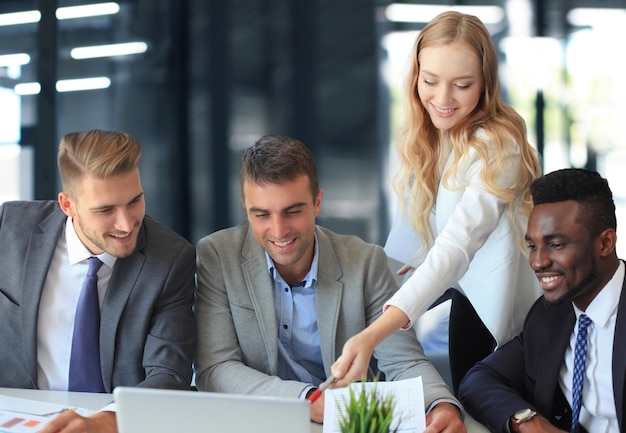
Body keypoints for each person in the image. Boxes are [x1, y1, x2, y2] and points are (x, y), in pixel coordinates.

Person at [331, 10, 542, 393]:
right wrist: (353, 318)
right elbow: (403, 253)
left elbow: (456, 247)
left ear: (485, 83)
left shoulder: (499, 145)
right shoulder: (426, 140)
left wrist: (372, 334)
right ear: (415, 77)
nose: (442, 99)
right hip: (468, 309)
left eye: (462, 85)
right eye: (430, 81)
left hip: (513, 327)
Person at [194, 135, 466, 431]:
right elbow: (214, 369)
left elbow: (404, 362)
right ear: (246, 208)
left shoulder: (365, 263)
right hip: (262, 422)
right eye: (261, 215)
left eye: (293, 211)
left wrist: (441, 405)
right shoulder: (217, 256)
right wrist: (306, 399)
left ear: (317, 202)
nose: (279, 230)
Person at [0, 130, 196, 433]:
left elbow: (169, 374)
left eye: (135, 201)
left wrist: (107, 421)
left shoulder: (170, 259)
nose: (126, 223)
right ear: (68, 205)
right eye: (105, 210)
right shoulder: (9, 228)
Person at [458, 168, 623, 433]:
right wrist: (528, 421)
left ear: (605, 243)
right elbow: (478, 380)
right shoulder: (549, 314)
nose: (537, 262)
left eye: (556, 245)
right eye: (533, 246)